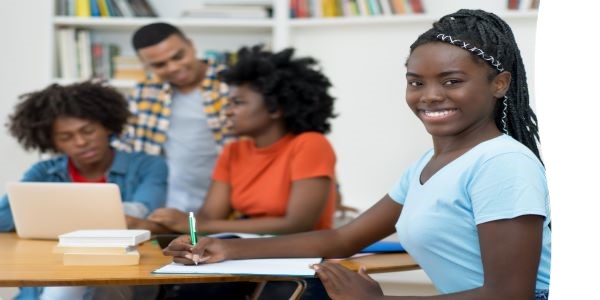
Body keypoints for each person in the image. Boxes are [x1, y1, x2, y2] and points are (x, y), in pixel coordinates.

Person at [164, 9, 551, 300]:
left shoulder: (502, 164)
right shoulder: (427, 167)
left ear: (500, 84)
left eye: (452, 81)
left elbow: (510, 295)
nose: (430, 95)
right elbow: (342, 239)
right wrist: (227, 247)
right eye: (416, 82)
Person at [0, 82, 167, 300]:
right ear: (53, 142)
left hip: (119, 274)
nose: (80, 142)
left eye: (88, 131)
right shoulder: (44, 171)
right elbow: (4, 218)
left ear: (107, 126)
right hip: (54, 269)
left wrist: (49, 219)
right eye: (66, 137)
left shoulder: (148, 165)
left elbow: (143, 212)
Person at [112, 22, 234, 233]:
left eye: (178, 56)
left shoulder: (232, 84)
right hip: (164, 208)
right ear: (145, 65)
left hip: (224, 208)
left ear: (191, 45)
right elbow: (128, 149)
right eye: (159, 65)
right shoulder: (145, 92)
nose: (173, 68)